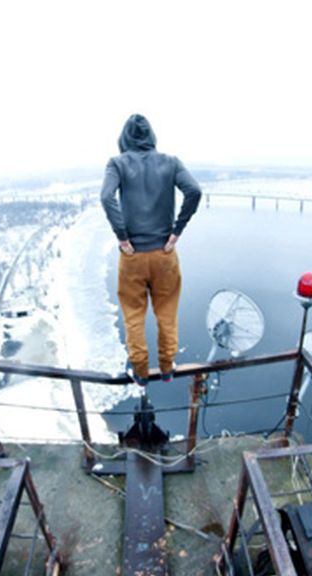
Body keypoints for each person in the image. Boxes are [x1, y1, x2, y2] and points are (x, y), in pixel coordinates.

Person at [101, 114, 202, 386]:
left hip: (132, 256)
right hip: (164, 254)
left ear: (124, 138)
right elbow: (193, 191)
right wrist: (176, 231)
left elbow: (106, 197)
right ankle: (167, 368)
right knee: (166, 314)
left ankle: (141, 372)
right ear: (152, 137)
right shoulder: (170, 162)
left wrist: (122, 237)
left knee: (134, 317)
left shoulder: (117, 164)